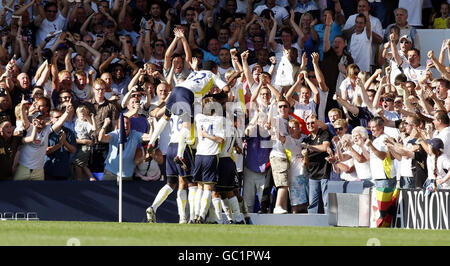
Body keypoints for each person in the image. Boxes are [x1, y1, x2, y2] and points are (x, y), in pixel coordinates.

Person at [14, 103, 74, 181]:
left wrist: (67, 112)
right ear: (33, 120)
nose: (41, 121)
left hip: (39, 170)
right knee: (17, 189)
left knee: (39, 191)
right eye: (38, 118)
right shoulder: (29, 127)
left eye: (43, 118)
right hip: (24, 168)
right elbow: (24, 119)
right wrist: (22, 107)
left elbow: (59, 123)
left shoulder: (47, 129)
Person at [191, 97, 225, 224]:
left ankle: (194, 216)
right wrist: (209, 136)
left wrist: (204, 135)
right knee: (207, 188)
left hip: (199, 155)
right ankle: (200, 215)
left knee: (199, 187)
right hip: (211, 156)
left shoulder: (199, 117)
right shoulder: (219, 120)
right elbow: (221, 140)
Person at [98, 114, 152, 181]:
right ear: (118, 126)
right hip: (111, 172)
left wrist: (151, 125)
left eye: (127, 123)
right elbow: (101, 139)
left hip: (127, 175)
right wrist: (104, 126)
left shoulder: (135, 134)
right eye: (123, 123)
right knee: (105, 191)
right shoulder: (115, 134)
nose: (126, 125)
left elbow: (150, 137)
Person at [302, 114, 331, 214]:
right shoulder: (306, 139)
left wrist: (310, 147)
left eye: (312, 122)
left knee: (327, 201)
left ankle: (329, 224)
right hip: (312, 174)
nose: (310, 125)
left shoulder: (324, 133)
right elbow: (306, 163)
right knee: (313, 203)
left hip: (325, 172)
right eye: (308, 123)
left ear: (317, 123)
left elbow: (325, 148)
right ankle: (312, 224)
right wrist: (305, 155)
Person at [44, 109, 77, 180]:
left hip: (64, 171)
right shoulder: (46, 131)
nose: (59, 119)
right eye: (57, 117)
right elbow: (45, 151)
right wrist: (59, 144)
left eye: (61, 117)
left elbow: (73, 151)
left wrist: (64, 142)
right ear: (51, 119)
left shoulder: (68, 132)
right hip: (49, 170)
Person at [73, 105, 96, 181]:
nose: (82, 114)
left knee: (78, 162)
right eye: (80, 112)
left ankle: (79, 179)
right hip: (77, 145)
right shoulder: (75, 121)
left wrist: (91, 118)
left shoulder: (86, 123)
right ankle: (92, 178)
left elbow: (94, 128)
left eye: (84, 112)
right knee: (83, 163)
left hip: (85, 145)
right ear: (77, 114)